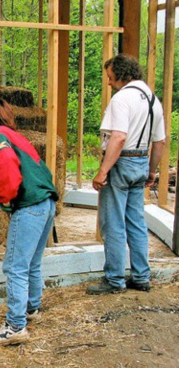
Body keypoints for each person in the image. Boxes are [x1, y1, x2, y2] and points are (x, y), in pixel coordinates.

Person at [0, 98, 59, 345]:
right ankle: (32, 308)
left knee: (15, 267)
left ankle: (15, 326)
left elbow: (4, 167)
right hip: (46, 202)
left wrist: (7, 200)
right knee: (31, 263)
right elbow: (40, 168)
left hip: (30, 204)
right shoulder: (17, 137)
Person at [87, 54, 165, 295]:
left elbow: (118, 137)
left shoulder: (122, 99)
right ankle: (141, 276)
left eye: (110, 77)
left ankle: (114, 279)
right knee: (137, 223)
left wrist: (103, 171)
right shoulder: (153, 99)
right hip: (141, 160)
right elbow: (160, 142)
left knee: (113, 223)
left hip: (121, 163)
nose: (109, 82)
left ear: (121, 74)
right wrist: (151, 171)